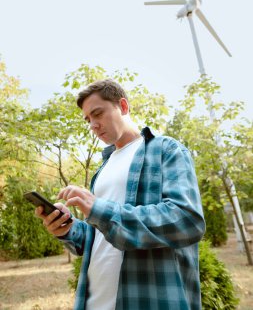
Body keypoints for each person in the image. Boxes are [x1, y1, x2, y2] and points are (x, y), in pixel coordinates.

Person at [36, 79, 205, 310]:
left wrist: (99, 209)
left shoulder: (166, 150)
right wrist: (68, 229)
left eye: (98, 113)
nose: (93, 125)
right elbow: (101, 238)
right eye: (88, 120)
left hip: (149, 300)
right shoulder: (102, 170)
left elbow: (187, 220)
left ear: (123, 106)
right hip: (95, 302)